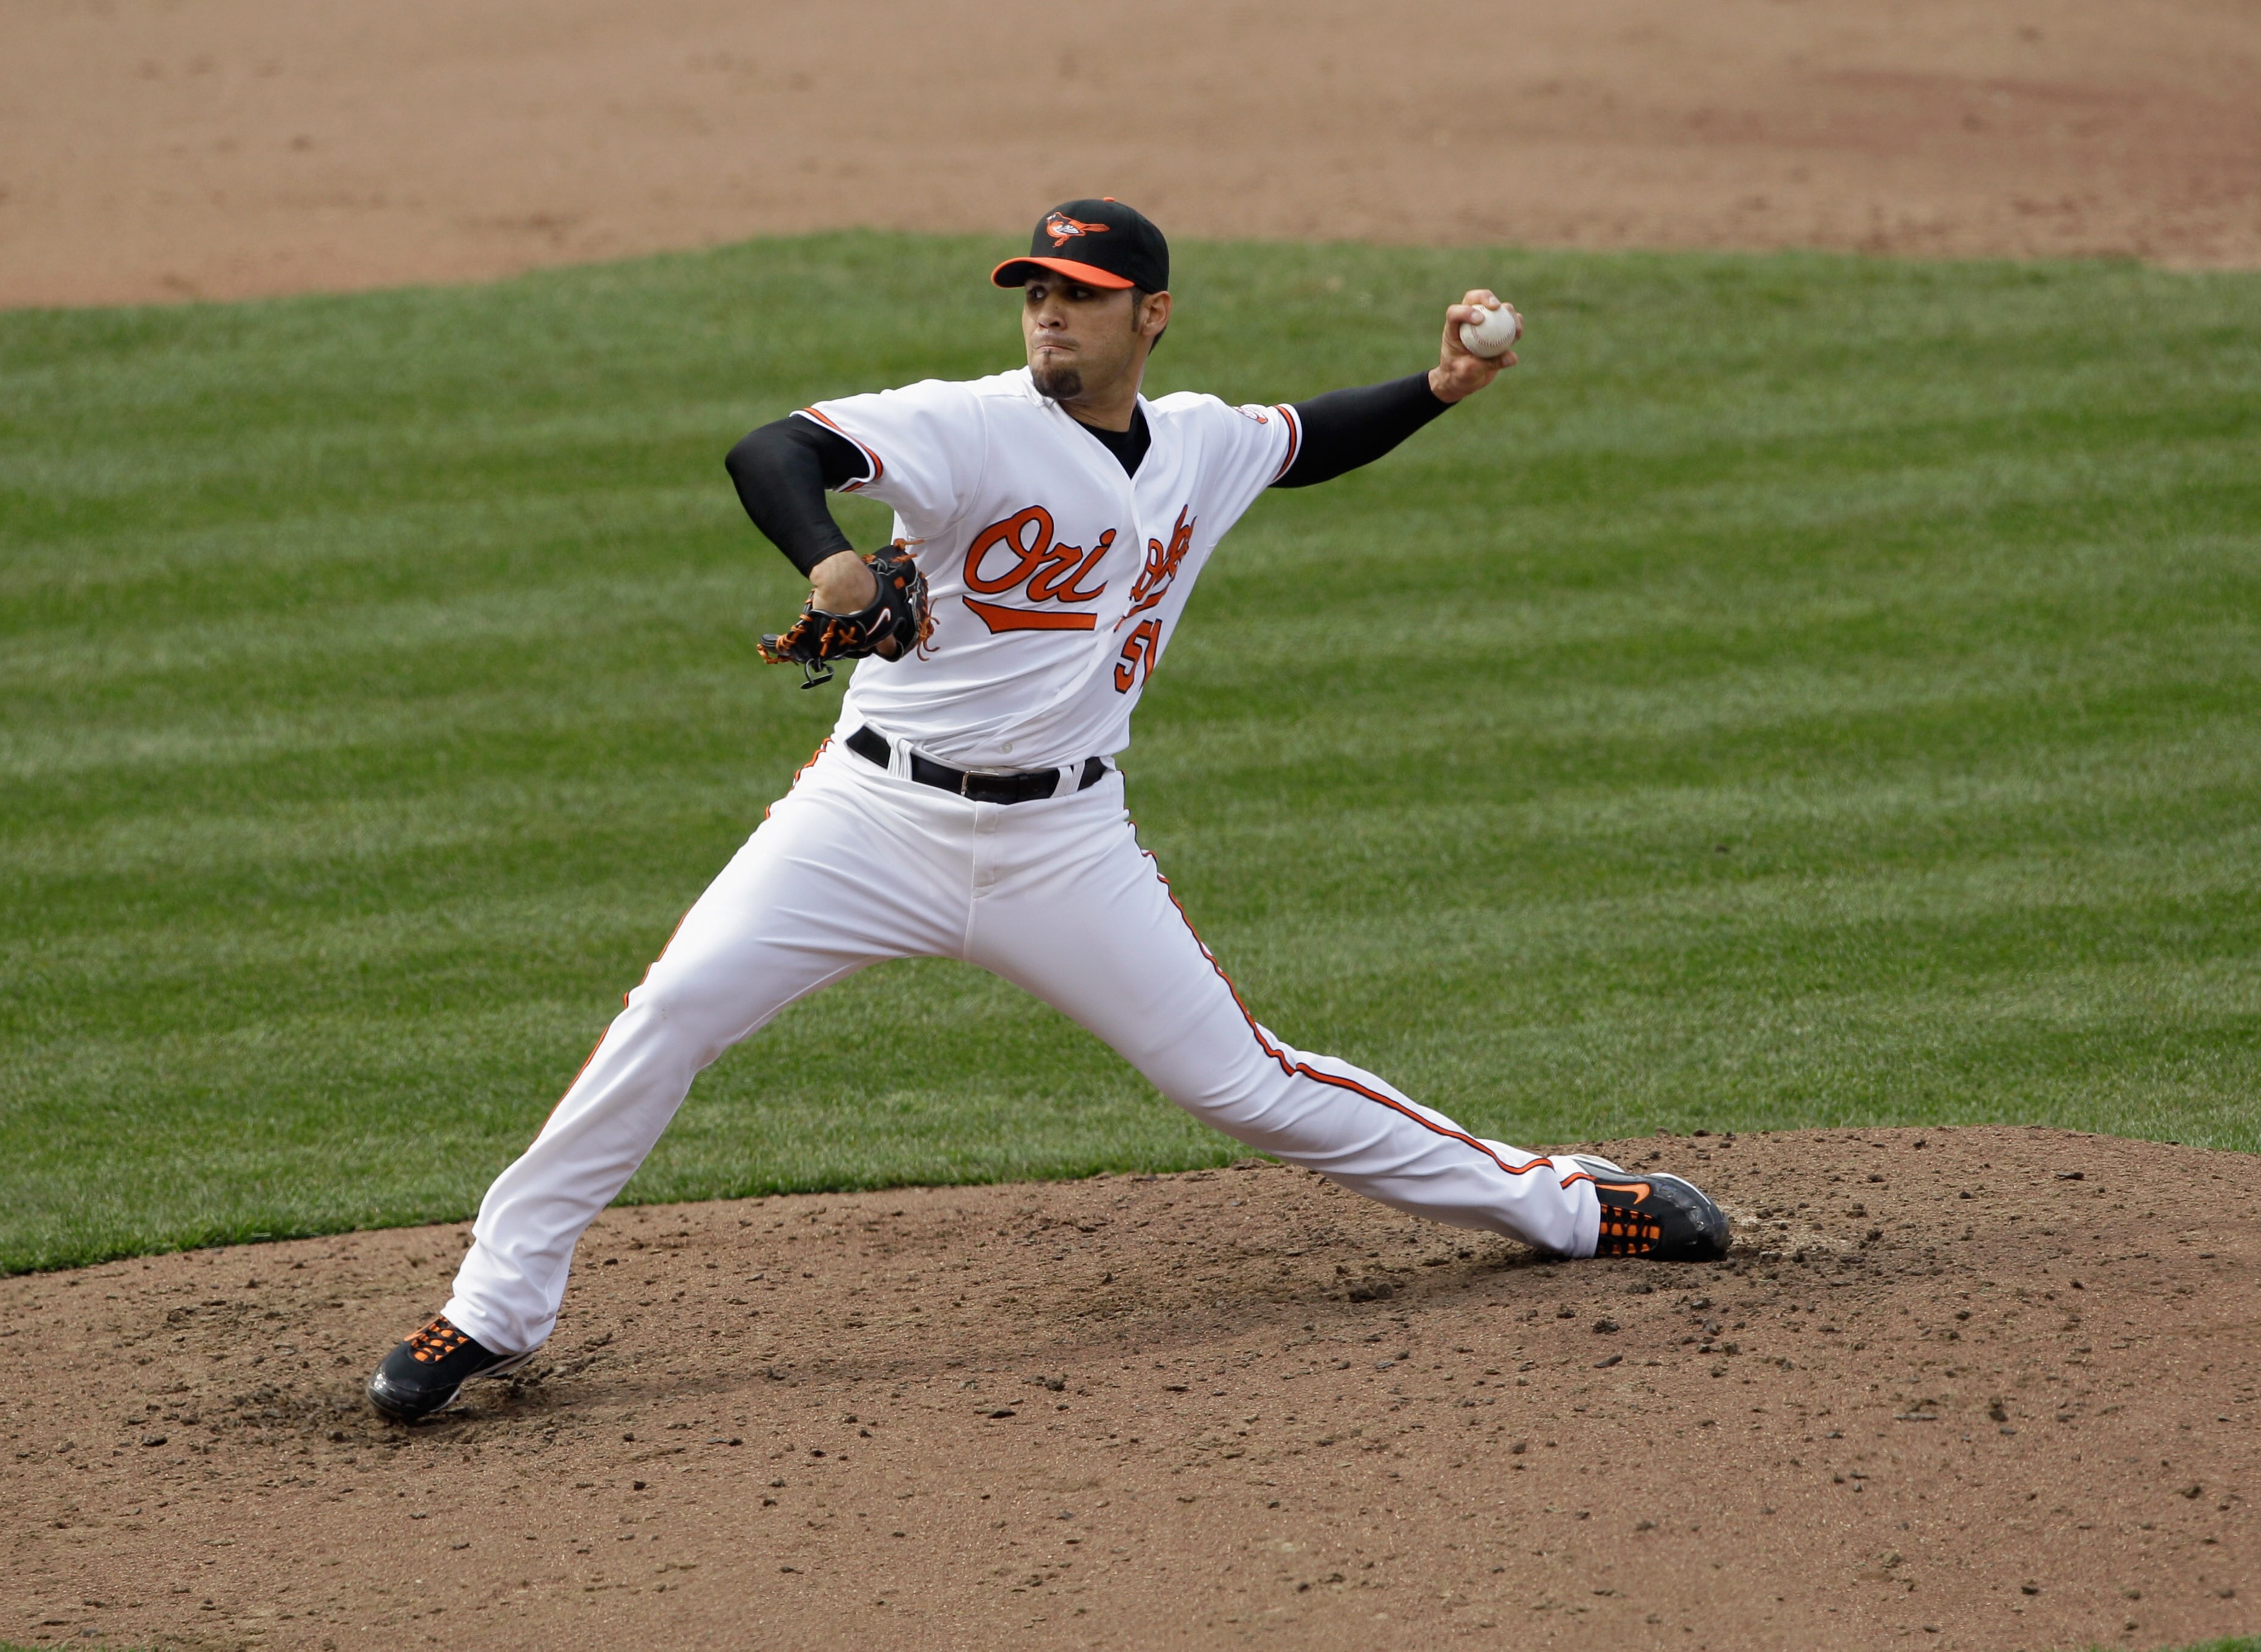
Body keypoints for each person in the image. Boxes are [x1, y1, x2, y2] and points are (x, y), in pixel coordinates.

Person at [367, 198, 1728, 1423]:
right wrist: (836, 560)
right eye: (1035, 295)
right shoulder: (965, 423)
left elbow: (1308, 441)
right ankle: (491, 1306)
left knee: (1244, 1084)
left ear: (1152, 315)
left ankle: (1570, 1205)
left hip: (1065, 845)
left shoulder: (1195, 443)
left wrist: (1439, 387)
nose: (1050, 319)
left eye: (1077, 296)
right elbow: (769, 450)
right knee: (670, 1017)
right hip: (865, 826)